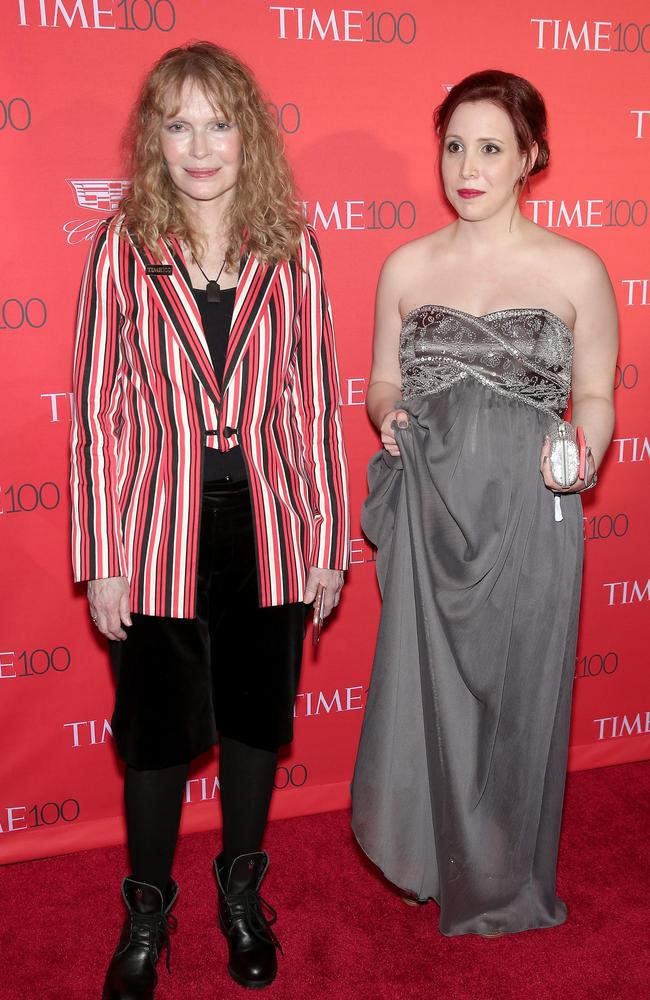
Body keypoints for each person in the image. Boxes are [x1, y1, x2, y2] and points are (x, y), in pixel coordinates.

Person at [70, 42, 349, 997]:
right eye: (179, 124)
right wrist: (105, 559)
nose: (200, 146)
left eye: (219, 123)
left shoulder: (293, 243)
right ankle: (146, 911)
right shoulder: (122, 245)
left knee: (252, 727)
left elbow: (310, 405)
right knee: (153, 736)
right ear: (155, 136)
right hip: (154, 527)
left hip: (266, 526)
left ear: (249, 135)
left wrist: (324, 542)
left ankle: (240, 895)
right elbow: (102, 410)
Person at [351, 69, 617, 937]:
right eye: (455, 145)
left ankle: (504, 876)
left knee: (521, 698)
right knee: (431, 695)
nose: (467, 166)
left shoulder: (576, 268)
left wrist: (582, 456)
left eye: (491, 148)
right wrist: (388, 415)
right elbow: (383, 379)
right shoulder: (407, 264)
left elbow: (599, 399)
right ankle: (432, 857)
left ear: (531, 157)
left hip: (531, 517)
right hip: (431, 516)